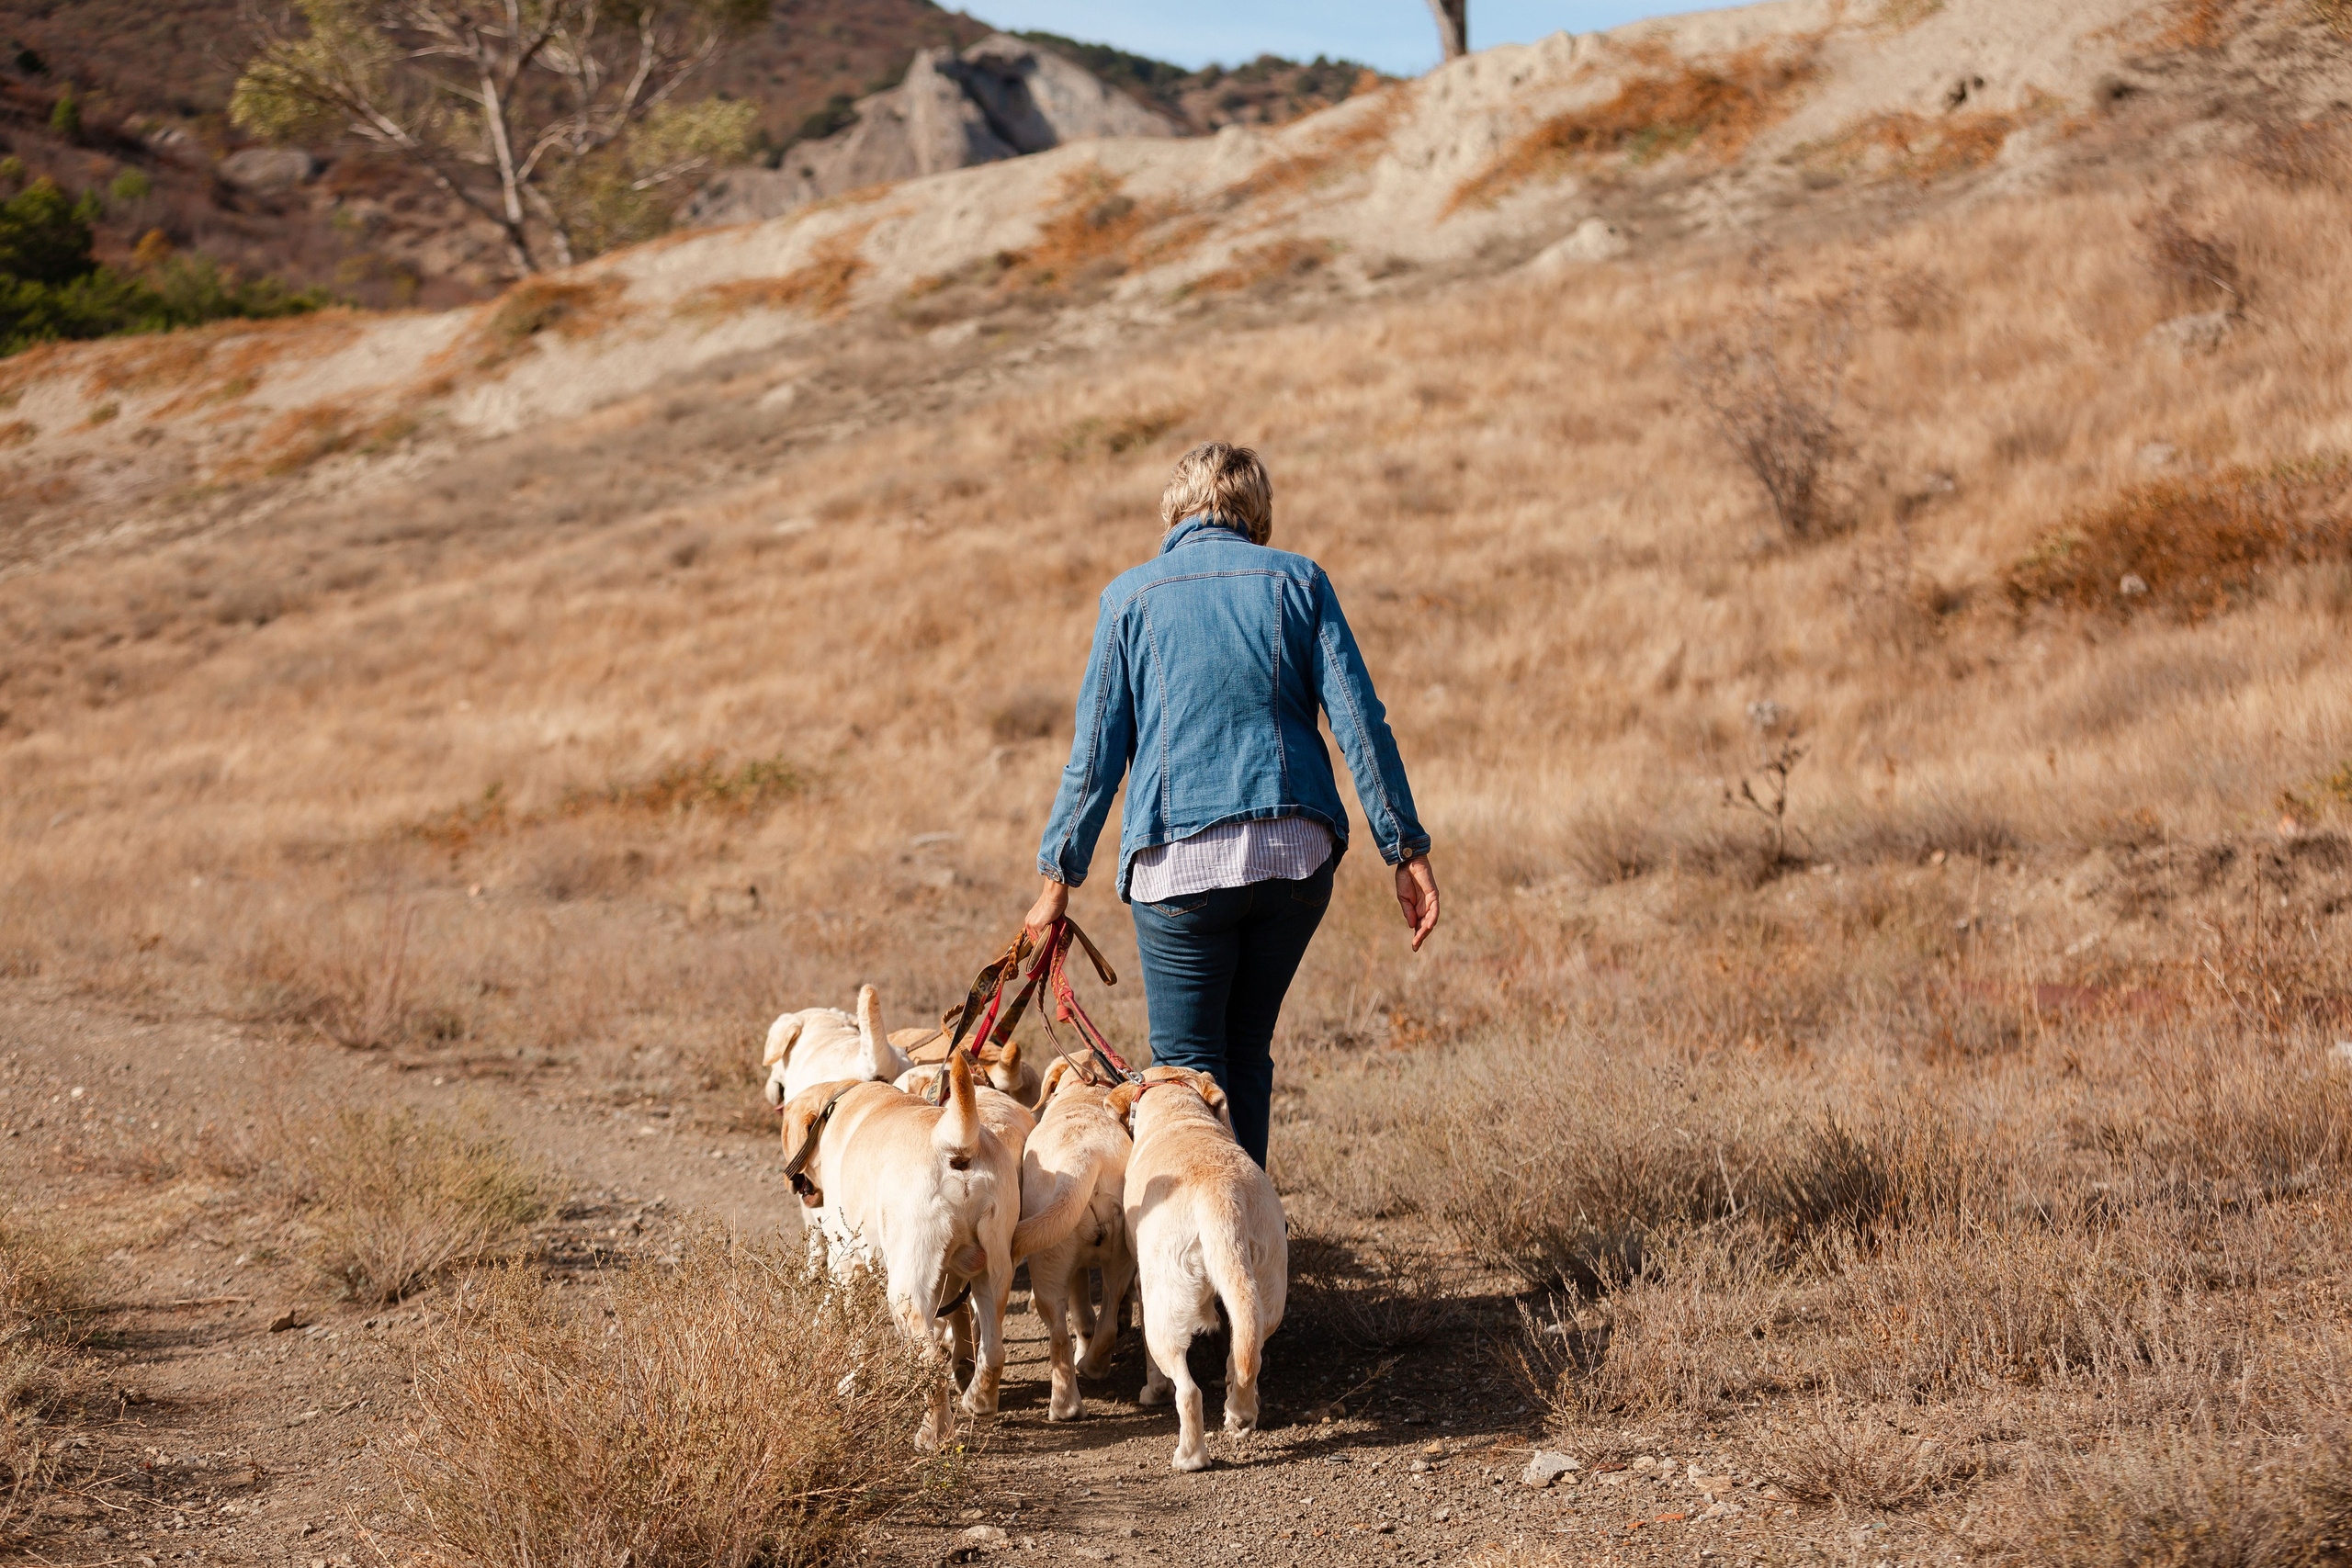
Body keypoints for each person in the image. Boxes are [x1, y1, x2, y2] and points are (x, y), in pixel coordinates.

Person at [1024, 443, 1438, 1169]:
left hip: (1178, 871)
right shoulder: (1300, 581)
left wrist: (1058, 879)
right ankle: (1249, 1246)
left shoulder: (1130, 598)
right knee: (1246, 1053)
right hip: (1293, 863)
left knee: (1184, 1069)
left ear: (1175, 508)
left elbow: (1096, 757)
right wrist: (1405, 850)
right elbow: (1360, 723)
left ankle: (1194, 1268)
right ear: (1256, 510)